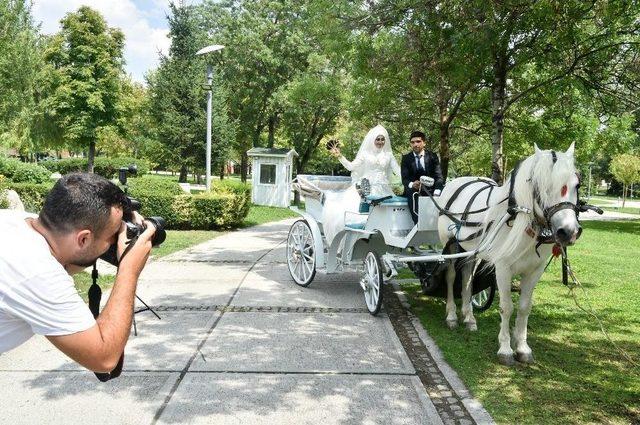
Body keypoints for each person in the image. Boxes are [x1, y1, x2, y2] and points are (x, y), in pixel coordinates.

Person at [0, 173, 156, 373]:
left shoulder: (14, 220)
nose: (115, 241)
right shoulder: (38, 273)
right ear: (83, 239)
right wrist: (129, 269)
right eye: (113, 235)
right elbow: (104, 359)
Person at [322, 124, 401, 245]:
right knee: (361, 214)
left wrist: (409, 180)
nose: (380, 142)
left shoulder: (388, 155)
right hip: (366, 187)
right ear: (372, 140)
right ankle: (357, 241)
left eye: (382, 139)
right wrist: (340, 156)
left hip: (383, 188)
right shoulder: (365, 154)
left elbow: (398, 170)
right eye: (377, 139)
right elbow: (351, 166)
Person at [401, 130, 445, 224]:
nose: (415, 144)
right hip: (414, 191)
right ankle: (418, 224)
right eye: (412, 142)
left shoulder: (432, 156)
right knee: (412, 194)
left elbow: (439, 177)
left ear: (424, 143)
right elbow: (404, 179)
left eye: (418, 141)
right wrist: (412, 184)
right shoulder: (406, 158)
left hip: (431, 189)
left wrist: (437, 190)